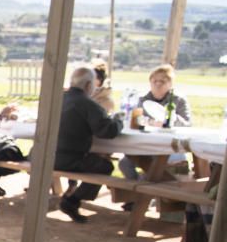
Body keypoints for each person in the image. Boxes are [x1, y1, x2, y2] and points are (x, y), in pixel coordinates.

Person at [55, 65, 123, 223]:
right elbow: (108, 131)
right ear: (88, 85)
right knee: (105, 166)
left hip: (43, 155)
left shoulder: (57, 98)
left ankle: (71, 198)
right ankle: (72, 201)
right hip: (67, 160)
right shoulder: (87, 104)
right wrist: (119, 120)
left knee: (94, 160)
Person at [118, 63, 192, 188]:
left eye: (162, 81)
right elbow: (134, 120)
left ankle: (142, 197)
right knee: (124, 163)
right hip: (145, 146)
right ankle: (135, 194)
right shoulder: (142, 100)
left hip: (169, 147)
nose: (158, 84)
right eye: (155, 81)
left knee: (152, 173)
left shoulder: (178, 100)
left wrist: (169, 119)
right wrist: (145, 122)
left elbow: (187, 124)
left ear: (170, 84)